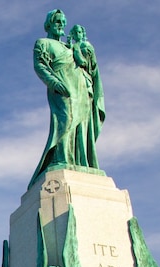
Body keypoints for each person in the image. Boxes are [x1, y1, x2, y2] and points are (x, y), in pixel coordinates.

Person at [29, 9, 83, 187]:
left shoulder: (70, 46)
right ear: (49, 24)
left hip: (80, 90)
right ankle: (60, 158)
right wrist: (54, 83)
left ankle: (77, 160)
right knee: (65, 120)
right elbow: (40, 65)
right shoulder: (43, 43)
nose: (62, 25)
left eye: (63, 22)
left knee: (80, 125)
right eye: (58, 21)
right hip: (61, 86)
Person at [67, 24, 104, 169]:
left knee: (83, 122)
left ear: (83, 33)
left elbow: (86, 63)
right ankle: (76, 157)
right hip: (75, 86)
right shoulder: (73, 47)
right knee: (74, 122)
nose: (78, 34)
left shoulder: (85, 46)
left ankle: (82, 159)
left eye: (79, 31)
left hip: (85, 85)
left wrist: (74, 49)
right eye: (75, 32)